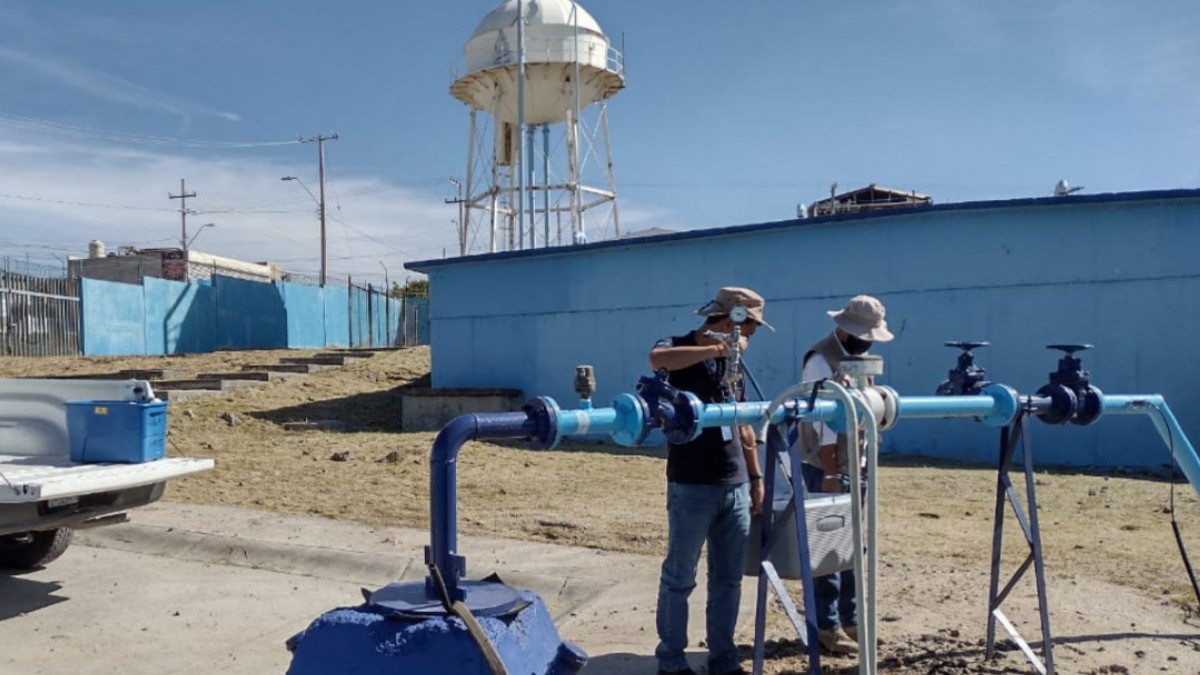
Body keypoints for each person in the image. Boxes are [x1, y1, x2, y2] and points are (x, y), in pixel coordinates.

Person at [649, 286, 770, 675]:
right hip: (691, 484)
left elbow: (743, 422)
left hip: (734, 485)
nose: (751, 334)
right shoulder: (678, 346)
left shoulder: (733, 365)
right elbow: (657, 359)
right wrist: (715, 350)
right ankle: (671, 661)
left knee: (728, 580)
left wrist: (756, 477)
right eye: (749, 326)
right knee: (679, 578)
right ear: (730, 319)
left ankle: (723, 659)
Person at [798, 294, 894, 656]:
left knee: (853, 548)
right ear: (843, 330)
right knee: (829, 550)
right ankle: (827, 626)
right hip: (829, 466)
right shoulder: (820, 360)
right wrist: (831, 472)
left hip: (856, 463)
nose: (867, 342)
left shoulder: (859, 361)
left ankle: (852, 621)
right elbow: (822, 420)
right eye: (862, 335)